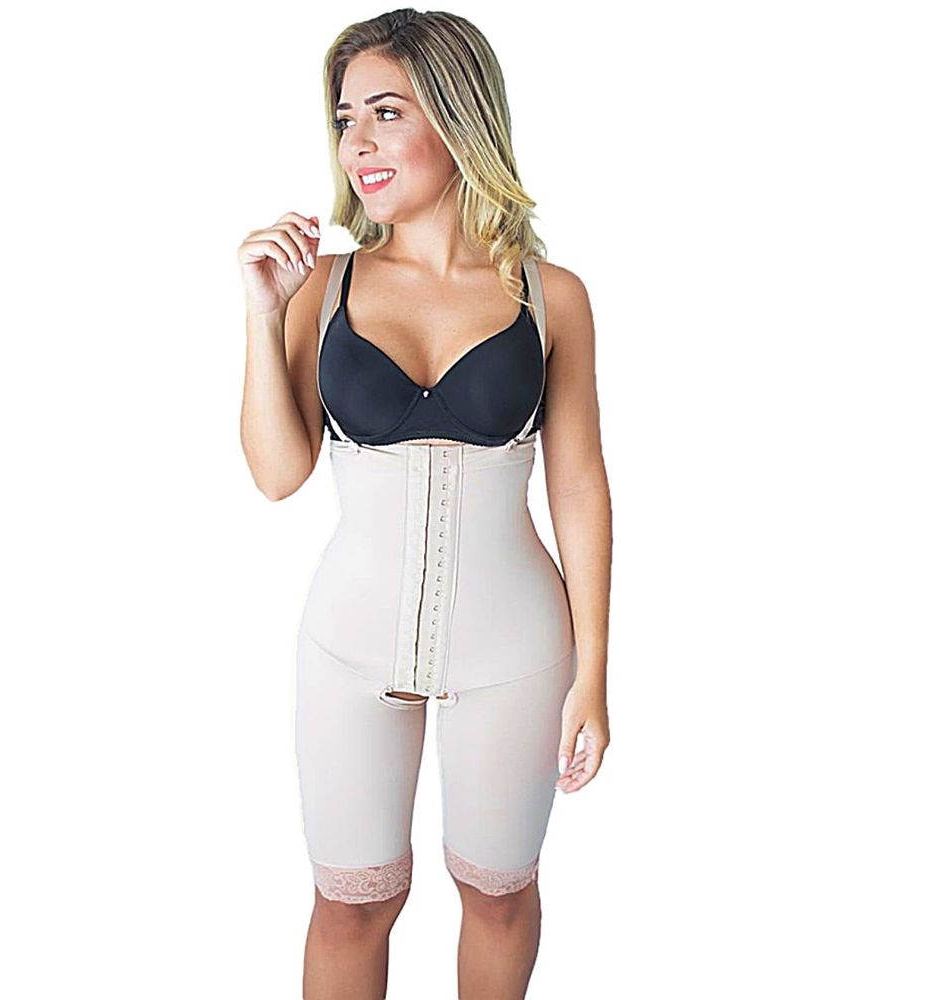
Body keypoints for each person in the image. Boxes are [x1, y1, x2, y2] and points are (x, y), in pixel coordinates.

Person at [238, 9, 611, 998]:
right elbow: (277, 473)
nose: (356, 143)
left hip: (515, 648)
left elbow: (578, 484)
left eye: (386, 113)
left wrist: (594, 674)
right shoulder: (320, 285)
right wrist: (263, 314)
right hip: (347, 647)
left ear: (457, 116)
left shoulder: (552, 296)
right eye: (344, 118)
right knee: (350, 905)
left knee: (497, 896)